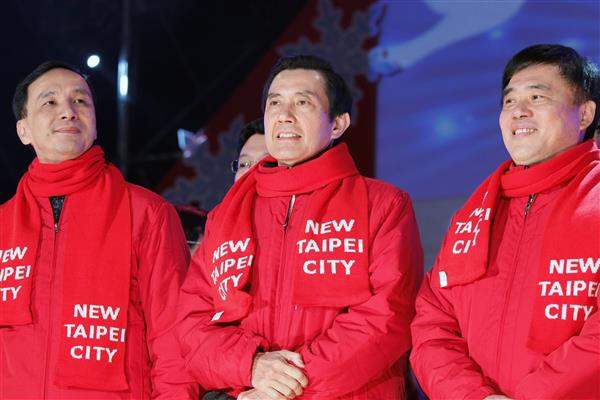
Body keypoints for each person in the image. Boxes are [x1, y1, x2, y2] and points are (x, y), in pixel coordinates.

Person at [177, 55, 423, 399]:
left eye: (303, 102)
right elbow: (193, 322)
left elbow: (388, 318)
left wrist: (281, 388)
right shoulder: (226, 216)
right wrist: (252, 366)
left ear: (337, 124)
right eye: (275, 102)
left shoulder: (383, 205)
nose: (284, 115)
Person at [410, 44, 600, 399]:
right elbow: (433, 322)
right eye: (510, 101)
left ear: (585, 114)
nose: (518, 111)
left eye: (537, 97)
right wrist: (473, 396)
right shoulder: (475, 214)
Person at [0, 61, 199, 398]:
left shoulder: (147, 213)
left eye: (80, 101)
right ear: (24, 131)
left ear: (94, 124)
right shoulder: (4, 224)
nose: (68, 111)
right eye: (50, 102)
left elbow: (174, 340)